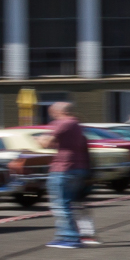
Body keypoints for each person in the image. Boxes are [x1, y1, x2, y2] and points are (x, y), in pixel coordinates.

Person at [38, 101, 95, 248]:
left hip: (63, 169)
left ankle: (69, 238)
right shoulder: (77, 125)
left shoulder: (61, 123)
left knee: (60, 205)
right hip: (79, 169)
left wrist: (39, 138)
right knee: (70, 204)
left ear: (57, 112)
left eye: (52, 113)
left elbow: (45, 143)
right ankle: (74, 235)